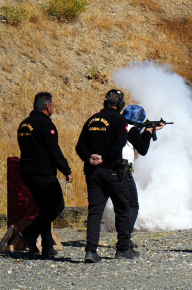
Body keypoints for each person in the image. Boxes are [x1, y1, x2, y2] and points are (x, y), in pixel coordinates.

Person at [75, 89, 138, 262]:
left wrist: (90, 157)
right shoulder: (119, 119)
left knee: (95, 212)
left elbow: (80, 146)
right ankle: (123, 249)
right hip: (112, 171)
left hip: (93, 172)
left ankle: (90, 251)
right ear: (120, 104)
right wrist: (105, 158)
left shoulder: (92, 119)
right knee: (123, 210)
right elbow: (120, 143)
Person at [16, 92, 73, 257]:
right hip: (42, 173)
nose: (52, 108)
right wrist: (66, 170)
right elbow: (54, 150)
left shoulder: (24, 124)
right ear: (48, 106)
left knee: (45, 208)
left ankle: (47, 247)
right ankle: (30, 232)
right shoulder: (45, 124)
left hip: (26, 172)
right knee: (57, 205)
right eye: (52, 105)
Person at [120, 105, 163, 245]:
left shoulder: (117, 126)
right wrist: (148, 132)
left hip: (107, 169)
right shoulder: (131, 130)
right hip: (123, 170)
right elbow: (143, 149)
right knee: (132, 205)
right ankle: (125, 239)